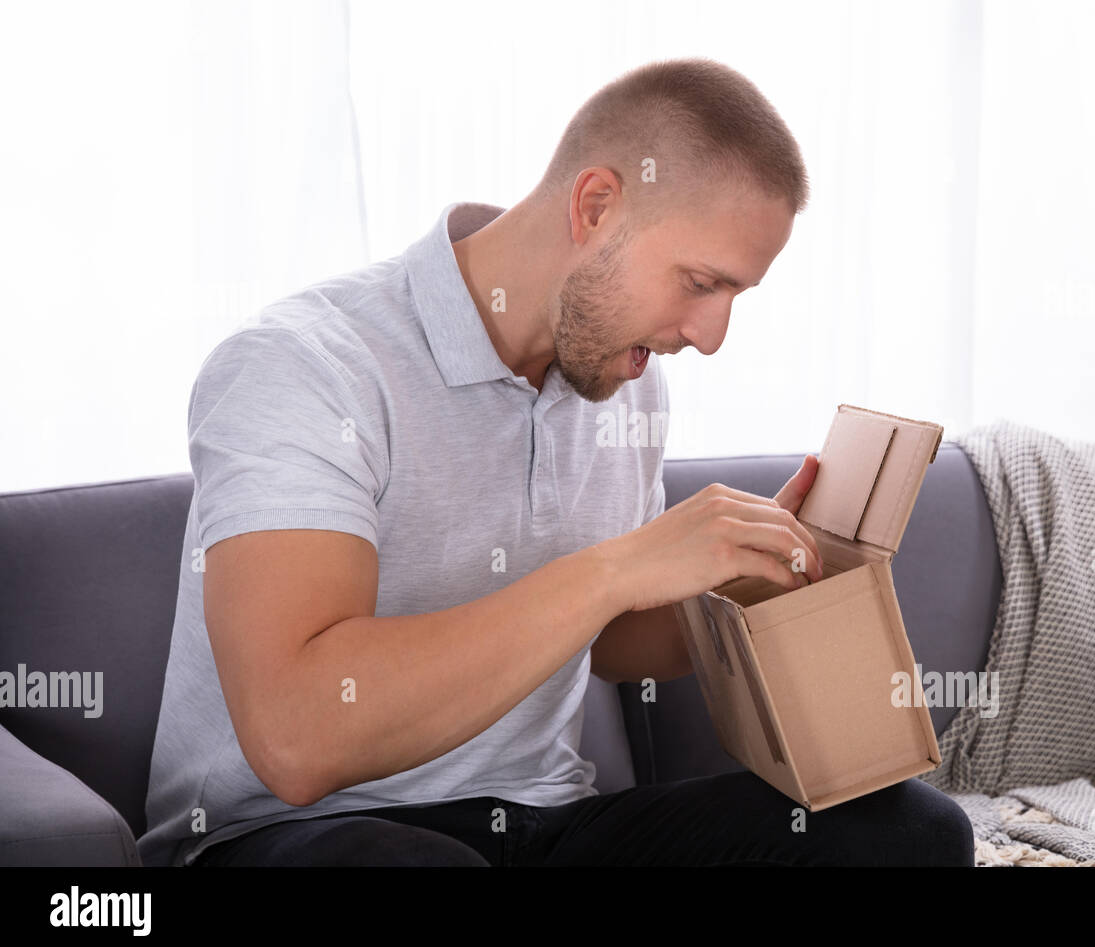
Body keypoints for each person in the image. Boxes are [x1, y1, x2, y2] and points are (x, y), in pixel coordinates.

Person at [138, 56, 974, 867]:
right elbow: (298, 737)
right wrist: (617, 568)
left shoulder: (622, 379)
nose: (711, 337)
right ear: (597, 206)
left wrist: (736, 582)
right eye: (699, 283)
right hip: (299, 832)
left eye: (734, 298)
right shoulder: (306, 365)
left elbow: (609, 643)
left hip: (543, 823)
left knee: (907, 834)